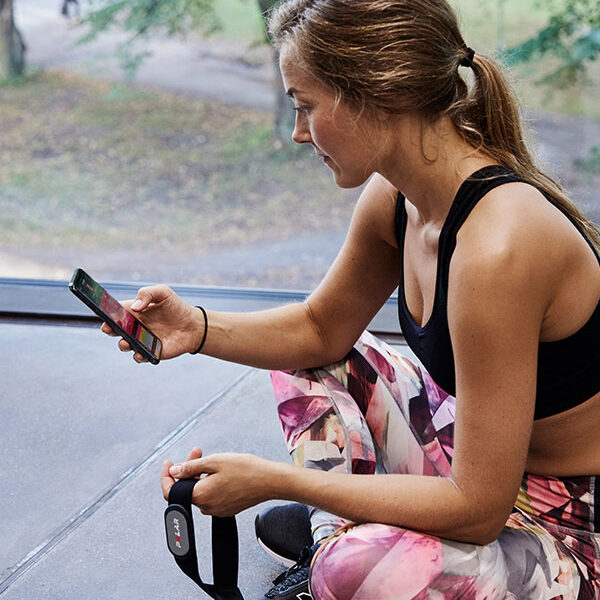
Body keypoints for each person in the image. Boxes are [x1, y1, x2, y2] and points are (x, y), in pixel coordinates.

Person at [102, 1, 600, 598]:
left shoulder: (498, 247)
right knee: (306, 357)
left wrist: (281, 482)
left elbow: (476, 508)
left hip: (569, 528)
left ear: (373, 95)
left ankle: (334, 547)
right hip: (477, 457)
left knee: (349, 572)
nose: (298, 132)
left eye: (306, 105)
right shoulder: (397, 197)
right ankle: (340, 536)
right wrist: (195, 328)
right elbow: (319, 330)